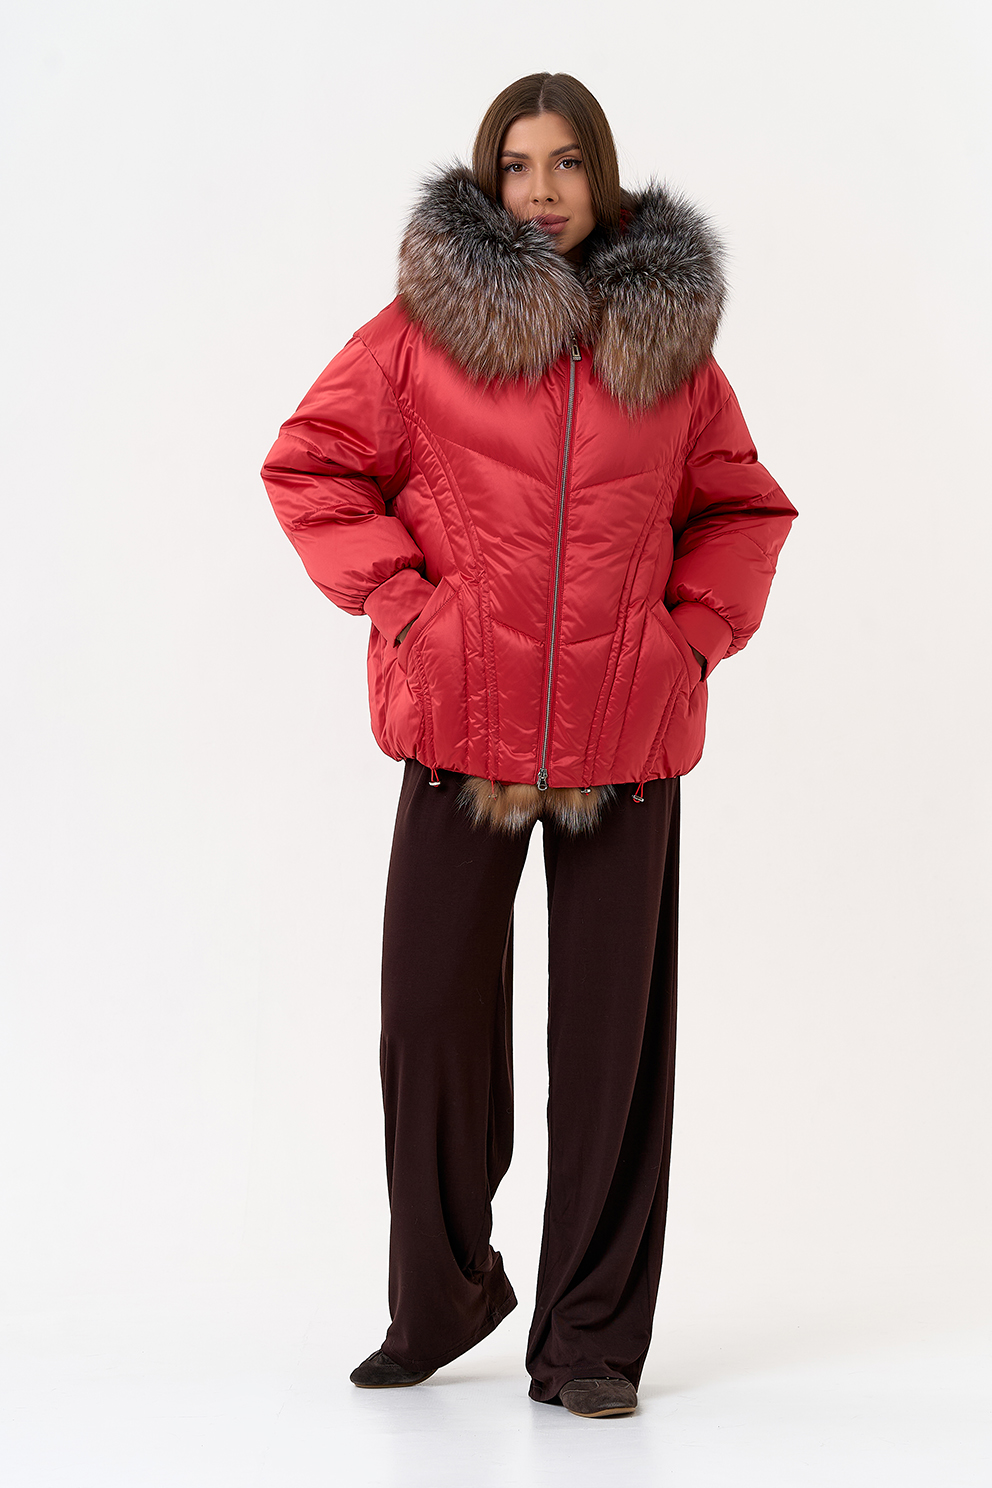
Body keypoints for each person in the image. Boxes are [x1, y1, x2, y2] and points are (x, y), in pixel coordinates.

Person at [261, 71, 797, 1419]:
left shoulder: (668, 347)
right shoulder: (419, 335)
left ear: (600, 175)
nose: (543, 190)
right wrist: (407, 606)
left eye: (566, 163)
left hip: (627, 738)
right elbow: (311, 465)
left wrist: (688, 639)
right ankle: (441, 1298)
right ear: (489, 178)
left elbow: (743, 509)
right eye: (517, 164)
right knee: (429, 1020)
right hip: (464, 728)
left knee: (613, 1052)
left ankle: (590, 1343)